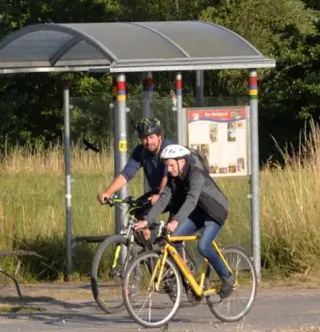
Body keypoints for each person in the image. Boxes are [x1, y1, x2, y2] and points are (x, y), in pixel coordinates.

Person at [134, 143, 234, 298]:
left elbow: (191, 200)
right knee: (173, 239)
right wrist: (147, 220)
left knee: (203, 246)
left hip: (215, 212)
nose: (169, 169)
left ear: (182, 161)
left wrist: (176, 221)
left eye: (171, 165)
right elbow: (163, 200)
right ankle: (187, 280)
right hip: (199, 212)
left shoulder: (196, 175)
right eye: (167, 166)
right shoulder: (173, 179)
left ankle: (227, 276)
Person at [97, 119, 169, 218]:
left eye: (152, 137)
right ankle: (148, 233)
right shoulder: (141, 151)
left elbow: (167, 176)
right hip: (158, 191)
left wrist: (160, 195)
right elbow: (126, 174)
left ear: (160, 136)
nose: (148, 142)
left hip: (176, 193)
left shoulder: (169, 149)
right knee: (137, 212)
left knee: (172, 229)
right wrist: (108, 192)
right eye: (144, 138)